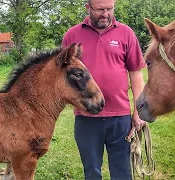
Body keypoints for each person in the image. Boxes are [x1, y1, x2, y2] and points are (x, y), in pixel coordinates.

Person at [61, 0, 147, 179]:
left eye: (109, 9)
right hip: (86, 118)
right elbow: (63, 75)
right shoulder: (72, 35)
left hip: (120, 118)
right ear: (88, 8)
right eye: (100, 9)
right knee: (91, 171)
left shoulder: (126, 33)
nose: (105, 14)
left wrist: (138, 111)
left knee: (122, 171)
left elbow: (136, 73)